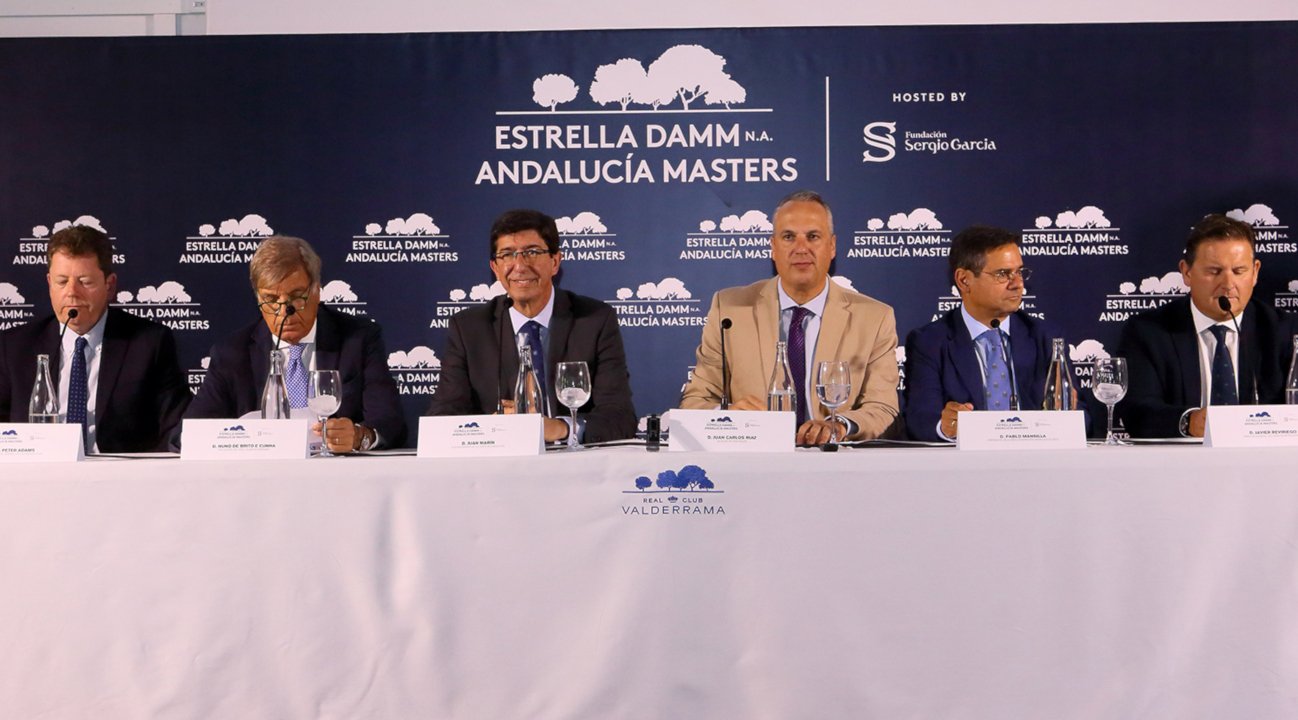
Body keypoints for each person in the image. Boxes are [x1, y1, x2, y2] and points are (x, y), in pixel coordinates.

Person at [679, 190, 899, 444]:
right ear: (773, 248)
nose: (801, 248)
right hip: (754, 465)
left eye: (813, 236)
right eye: (788, 237)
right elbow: (695, 401)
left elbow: (882, 407)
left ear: (832, 246)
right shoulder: (728, 310)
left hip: (835, 468)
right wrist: (727, 417)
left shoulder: (874, 318)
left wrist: (839, 426)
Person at [426, 209, 637, 443]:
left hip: (575, 468)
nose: (519, 265)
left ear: (555, 262)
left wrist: (559, 428)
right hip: (498, 468)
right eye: (507, 254)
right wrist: (493, 428)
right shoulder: (469, 328)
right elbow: (442, 419)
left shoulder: (594, 320)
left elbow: (620, 417)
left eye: (532, 252)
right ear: (495, 268)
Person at [187, 235, 406, 452]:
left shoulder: (358, 339)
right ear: (258, 299)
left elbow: (390, 423)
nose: (285, 313)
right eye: (272, 300)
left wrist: (360, 436)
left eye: (297, 296)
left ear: (317, 290)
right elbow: (185, 435)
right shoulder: (232, 353)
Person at [0, 225, 190, 452]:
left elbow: (175, 430)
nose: (71, 292)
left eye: (85, 281)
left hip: (119, 480)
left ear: (109, 286)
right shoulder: (15, 346)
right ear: (49, 283)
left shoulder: (149, 344)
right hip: (37, 478)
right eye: (62, 282)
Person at [1117, 214, 1296, 438]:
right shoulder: (1148, 332)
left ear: (1255, 272)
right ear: (1186, 272)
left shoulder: (1285, 332)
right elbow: (1136, 411)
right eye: (1214, 272)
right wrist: (1188, 422)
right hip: (1179, 466)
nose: (1229, 285)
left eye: (1239, 271)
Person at [904, 226, 1060, 442]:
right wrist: (947, 427)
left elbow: (1081, 416)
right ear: (964, 280)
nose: (1018, 284)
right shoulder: (930, 342)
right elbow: (921, 419)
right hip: (964, 469)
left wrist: (1060, 420)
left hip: (1035, 462)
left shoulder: (1044, 336)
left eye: (1020, 272)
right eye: (1003, 274)